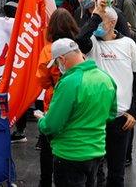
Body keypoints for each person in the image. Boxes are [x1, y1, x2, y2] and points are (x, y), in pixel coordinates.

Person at [75, 4, 136, 187]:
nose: (97, 24)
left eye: (101, 20)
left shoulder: (128, 44)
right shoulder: (92, 44)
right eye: (96, 20)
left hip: (121, 118)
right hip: (95, 118)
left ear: (112, 22)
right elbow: (80, 38)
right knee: (93, 170)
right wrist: (96, 16)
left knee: (116, 171)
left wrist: (135, 111)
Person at [37, 37, 118, 187]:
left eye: (56, 63)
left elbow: (51, 125)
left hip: (70, 154)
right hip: (96, 151)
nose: (58, 67)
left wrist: (42, 120)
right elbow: (111, 114)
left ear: (62, 59)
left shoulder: (69, 82)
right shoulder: (106, 78)